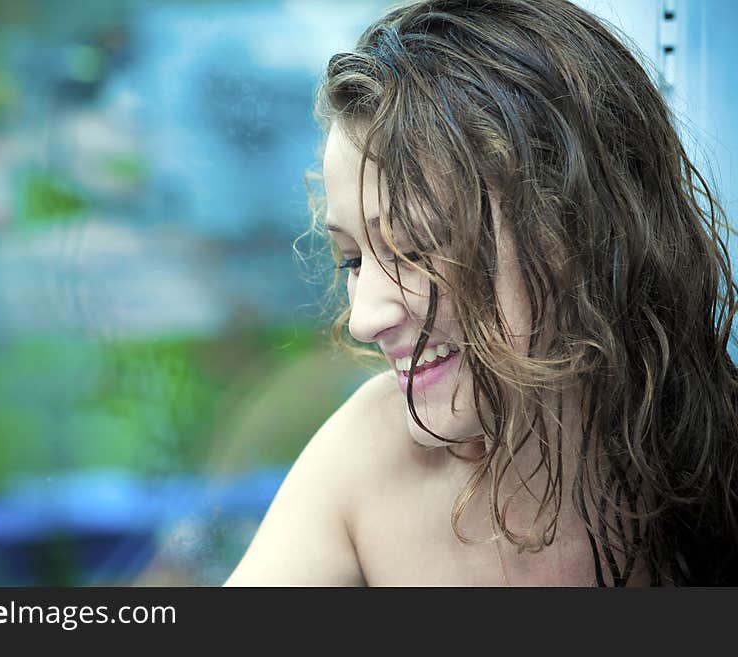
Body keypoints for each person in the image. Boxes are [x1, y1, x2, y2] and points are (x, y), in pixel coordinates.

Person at [225, 0, 738, 586]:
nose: (364, 320)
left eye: (418, 252)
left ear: (581, 230)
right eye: (352, 259)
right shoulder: (367, 460)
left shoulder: (717, 463)